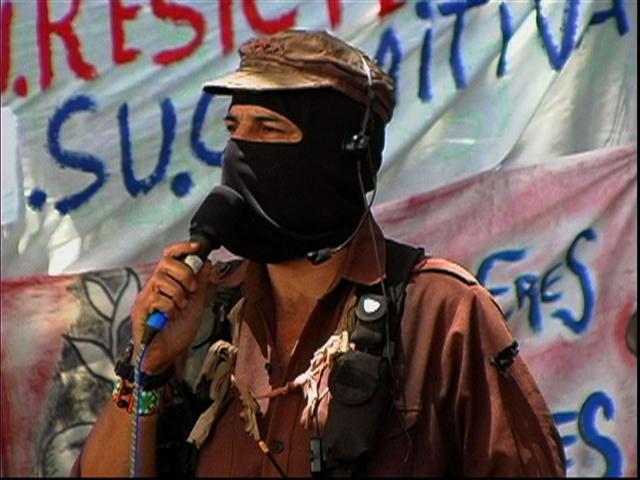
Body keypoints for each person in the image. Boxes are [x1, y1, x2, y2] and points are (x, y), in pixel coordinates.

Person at [73, 30, 566, 477]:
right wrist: (149, 369)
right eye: (234, 128)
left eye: (269, 129)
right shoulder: (202, 309)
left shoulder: (441, 312)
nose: (241, 150)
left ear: (346, 151)